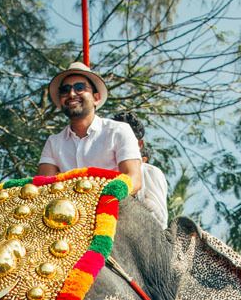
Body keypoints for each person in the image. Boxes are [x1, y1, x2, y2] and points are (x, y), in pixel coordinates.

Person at [38, 62, 142, 194]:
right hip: (67, 210)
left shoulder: (118, 131)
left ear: (96, 98)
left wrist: (101, 198)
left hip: (116, 207)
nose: (71, 94)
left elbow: (133, 179)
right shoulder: (54, 142)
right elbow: (44, 187)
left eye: (79, 87)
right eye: (65, 90)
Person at [111, 110, 169, 227]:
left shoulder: (150, 173)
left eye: (127, 141)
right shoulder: (102, 169)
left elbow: (160, 221)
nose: (121, 145)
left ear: (140, 144)